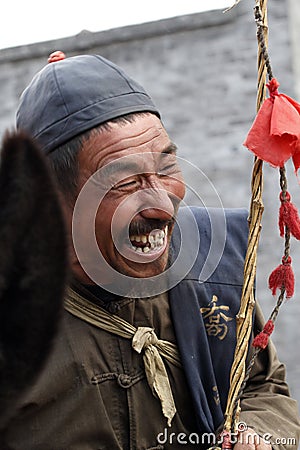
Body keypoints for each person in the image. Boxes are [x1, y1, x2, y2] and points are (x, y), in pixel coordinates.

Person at [1, 52, 299, 449]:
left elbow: (260, 385)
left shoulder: (208, 266)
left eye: (167, 169)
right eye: (124, 182)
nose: (162, 205)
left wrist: (259, 435)